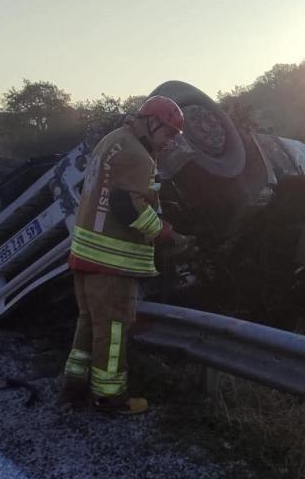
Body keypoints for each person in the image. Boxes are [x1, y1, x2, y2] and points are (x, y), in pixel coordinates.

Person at [61, 95, 193, 414]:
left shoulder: (113, 140)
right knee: (114, 329)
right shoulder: (137, 155)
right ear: (152, 122)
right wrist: (165, 233)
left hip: (86, 254)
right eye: (169, 133)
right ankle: (110, 397)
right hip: (111, 262)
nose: (170, 141)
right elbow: (126, 206)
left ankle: (75, 386)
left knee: (90, 323)